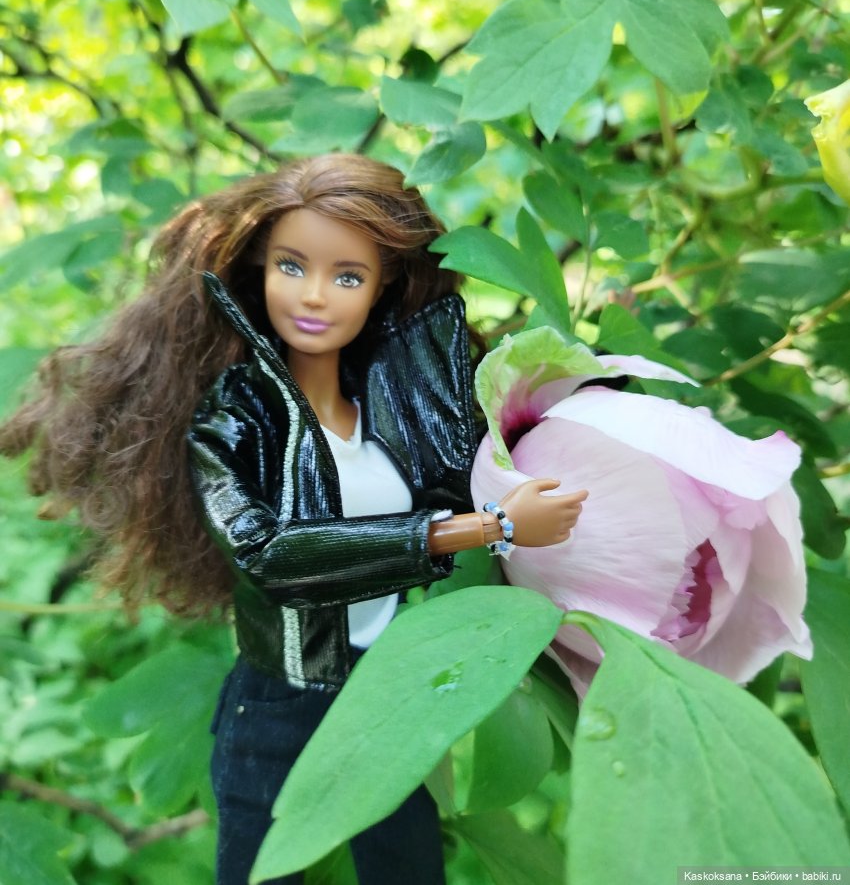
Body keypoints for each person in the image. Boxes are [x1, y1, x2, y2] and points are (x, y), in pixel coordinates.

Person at [0, 154, 587, 885]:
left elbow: (467, 471)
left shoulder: (390, 400)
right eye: (291, 266)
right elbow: (272, 555)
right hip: (281, 705)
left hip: (386, 693)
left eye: (347, 276)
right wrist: (488, 527)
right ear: (258, 270)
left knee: (409, 871)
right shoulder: (232, 421)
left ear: (382, 287)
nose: (313, 295)